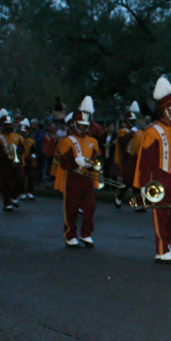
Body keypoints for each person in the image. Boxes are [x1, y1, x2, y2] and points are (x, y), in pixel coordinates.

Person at [134, 77, 171, 263]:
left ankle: (166, 242)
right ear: (165, 110)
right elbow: (146, 161)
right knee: (160, 214)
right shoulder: (152, 131)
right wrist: (144, 185)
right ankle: (162, 249)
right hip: (158, 180)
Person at [54, 97, 100, 248]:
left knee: (90, 207)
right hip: (72, 177)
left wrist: (92, 164)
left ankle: (86, 233)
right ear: (74, 125)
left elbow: (97, 160)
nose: (83, 128)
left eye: (85, 125)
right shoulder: (66, 141)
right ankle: (70, 234)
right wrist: (76, 162)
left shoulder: (93, 141)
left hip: (87, 178)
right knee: (71, 207)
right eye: (80, 125)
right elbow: (63, 162)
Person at [0, 109, 24, 212]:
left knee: (20, 179)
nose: (9, 127)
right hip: (4, 163)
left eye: (10, 125)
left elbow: (22, 149)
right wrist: (5, 155)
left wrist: (17, 153)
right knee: (5, 183)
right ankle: (7, 202)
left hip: (15, 163)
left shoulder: (17, 137)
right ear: (2, 126)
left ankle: (14, 196)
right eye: (6, 125)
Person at [115, 102, 143, 210]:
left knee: (138, 181)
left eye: (134, 121)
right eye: (131, 121)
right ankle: (119, 194)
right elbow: (122, 142)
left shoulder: (140, 132)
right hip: (128, 158)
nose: (133, 123)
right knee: (128, 181)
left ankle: (138, 203)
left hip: (138, 158)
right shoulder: (123, 131)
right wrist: (130, 133)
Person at [19, 118, 36, 200]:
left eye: (24, 132)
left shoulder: (31, 141)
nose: (23, 133)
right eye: (22, 132)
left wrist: (34, 155)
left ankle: (29, 192)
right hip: (20, 160)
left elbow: (34, 150)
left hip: (29, 160)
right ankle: (22, 192)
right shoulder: (18, 139)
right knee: (21, 177)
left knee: (30, 176)